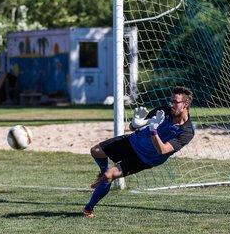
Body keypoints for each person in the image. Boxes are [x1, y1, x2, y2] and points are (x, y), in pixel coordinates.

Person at [82, 86, 195, 217]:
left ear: (186, 104)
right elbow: (133, 126)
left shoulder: (186, 132)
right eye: (171, 101)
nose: (171, 104)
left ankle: (88, 209)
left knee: (109, 176)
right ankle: (101, 174)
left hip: (144, 158)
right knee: (95, 150)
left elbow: (162, 150)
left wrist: (154, 131)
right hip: (133, 141)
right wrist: (135, 123)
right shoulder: (163, 111)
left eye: (175, 102)